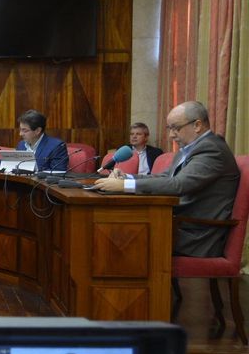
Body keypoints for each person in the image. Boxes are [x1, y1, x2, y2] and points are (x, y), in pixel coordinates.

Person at [94, 101, 239, 257]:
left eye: (175, 128)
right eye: (169, 129)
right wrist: (126, 177)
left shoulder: (211, 149)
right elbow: (165, 176)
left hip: (196, 234)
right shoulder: (190, 148)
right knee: (113, 227)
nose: (171, 135)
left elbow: (179, 185)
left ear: (197, 125)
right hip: (178, 222)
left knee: (117, 234)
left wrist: (125, 186)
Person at [0, 110, 69, 171]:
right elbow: (12, 164)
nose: (20, 134)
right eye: (20, 130)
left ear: (38, 130)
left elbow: (58, 173)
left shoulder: (56, 146)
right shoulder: (22, 144)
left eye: (24, 130)